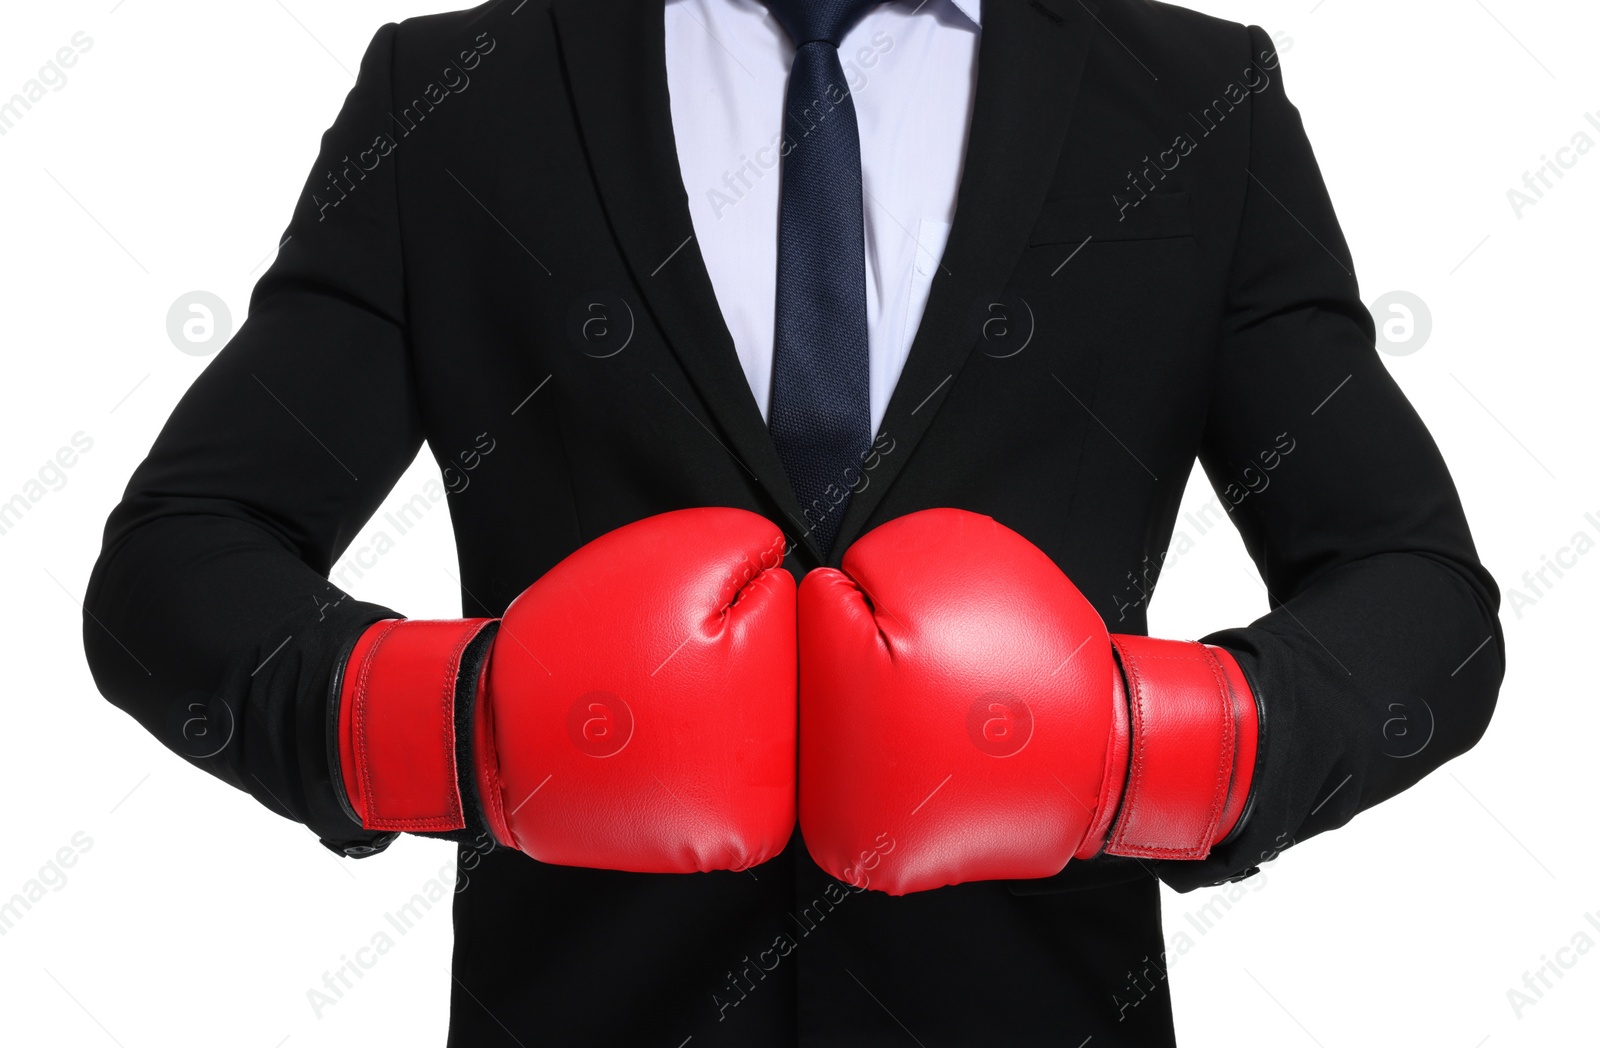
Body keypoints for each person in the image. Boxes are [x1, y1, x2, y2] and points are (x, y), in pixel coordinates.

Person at [83, 1, 1504, 1044]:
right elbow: (178, 561)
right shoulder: (461, 87)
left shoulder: (1193, 94)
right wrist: (460, 729)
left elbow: (1419, 598)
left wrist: (1149, 748)